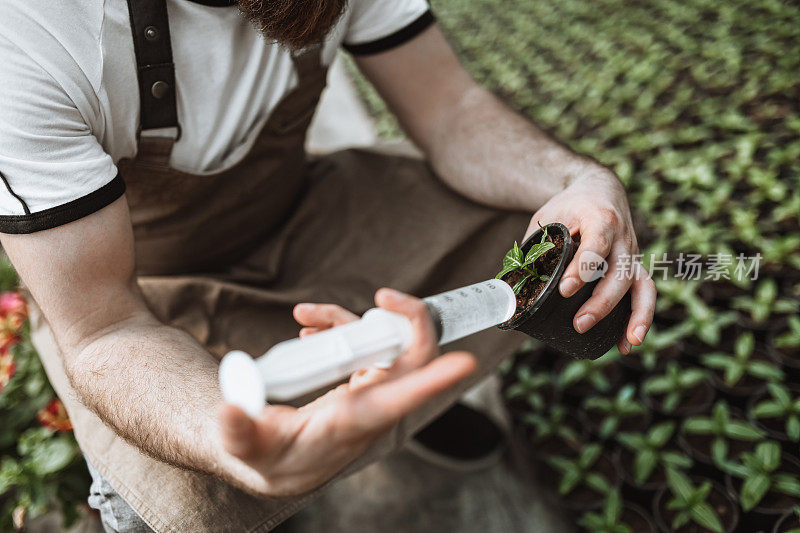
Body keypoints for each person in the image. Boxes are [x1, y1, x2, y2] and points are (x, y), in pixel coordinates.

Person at [0, 0, 656, 530]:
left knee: (561, 235)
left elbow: (451, 109)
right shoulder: (33, 37)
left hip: (302, 211)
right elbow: (105, 326)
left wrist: (576, 179)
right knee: (172, 488)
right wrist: (231, 443)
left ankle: (411, 405)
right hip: (145, 295)